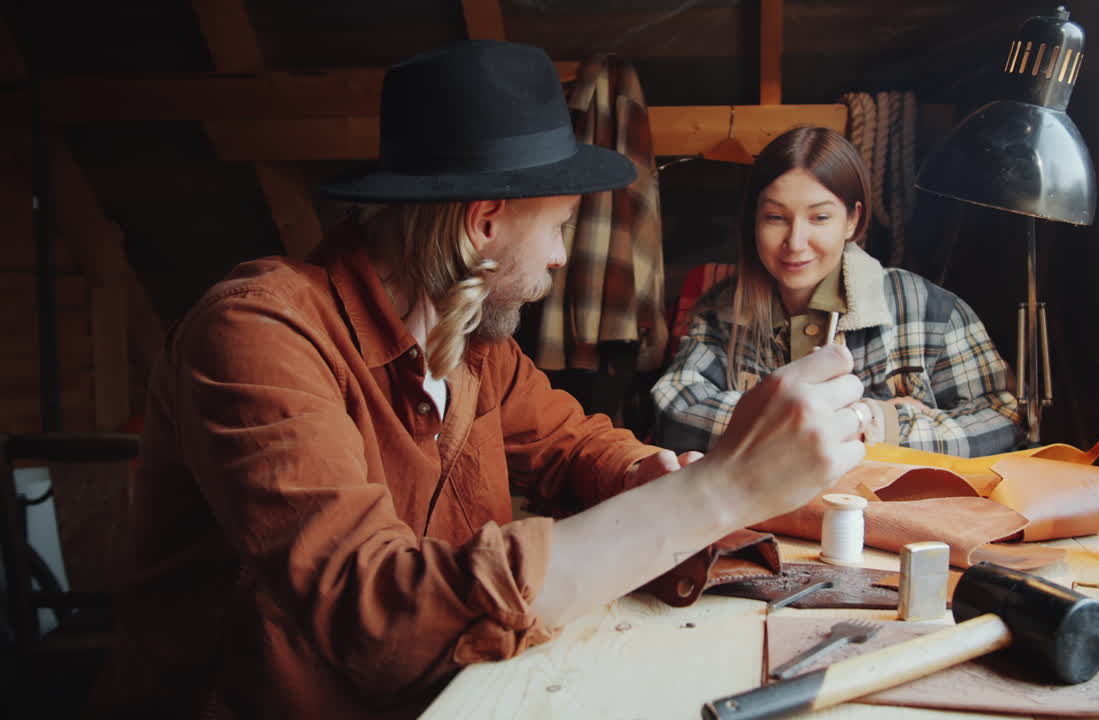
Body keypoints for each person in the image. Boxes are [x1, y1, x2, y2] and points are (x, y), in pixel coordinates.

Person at [88, 42, 870, 718]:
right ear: (485, 223)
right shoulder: (257, 335)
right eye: (558, 227)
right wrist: (718, 493)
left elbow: (575, 447)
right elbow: (378, 616)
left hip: (453, 699)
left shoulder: (471, 342)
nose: (563, 257)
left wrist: (649, 472)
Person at [653, 126, 1022, 458]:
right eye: (776, 218)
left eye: (820, 217)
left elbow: (1003, 422)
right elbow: (673, 411)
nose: (795, 243)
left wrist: (874, 422)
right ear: (754, 221)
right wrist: (832, 418)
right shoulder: (721, 312)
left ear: (852, 220)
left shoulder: (931, 311)